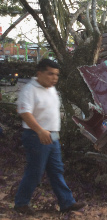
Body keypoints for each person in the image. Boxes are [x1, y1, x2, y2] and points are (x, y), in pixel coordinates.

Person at [14, 59, 85, 215]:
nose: (54, 78)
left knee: (56, 170)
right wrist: (39, 131)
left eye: (57, 75)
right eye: (50, 74)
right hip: (36, 136)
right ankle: (21, 203)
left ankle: (67, 202)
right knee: (35, 171)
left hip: (52, 137)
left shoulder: (51, 89)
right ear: (39, 73)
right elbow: (24, 112)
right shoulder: (29, 90)